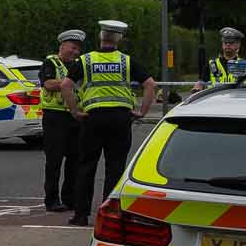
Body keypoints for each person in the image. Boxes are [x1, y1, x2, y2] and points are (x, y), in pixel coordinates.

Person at [64, 19, 158, 227]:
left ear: (100, 37)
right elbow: (151, 85)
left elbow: (66, 85)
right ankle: (110, 216)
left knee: (86, 166)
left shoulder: (86, 61)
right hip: (120, 119)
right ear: (119, 39)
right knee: (115, 168)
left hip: (93, 119)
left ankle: (80, 215)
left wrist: (75, 111)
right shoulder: (127, 61)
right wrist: (142, 111)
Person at [38, 29, 84, 212]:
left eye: (78, 50)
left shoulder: (78, 65)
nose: (75, 52)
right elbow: (48, 84)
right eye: (73, 48)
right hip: (54, 117)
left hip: (73, 116)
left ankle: (69, 198)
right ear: (62, 45)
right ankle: (51, 199)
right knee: (54, 161)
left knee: (74, 160)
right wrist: (67, 84)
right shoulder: (50, 62)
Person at [196, 26, 245, 91]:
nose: (228, 45)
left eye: (231, 43)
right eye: (225, 42)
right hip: (216, 100)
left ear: (238, 44)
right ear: (222, 44)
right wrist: (198, 86)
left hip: (237, 100)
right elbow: (201, 82)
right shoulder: (211, 64)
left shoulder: (245, 65)